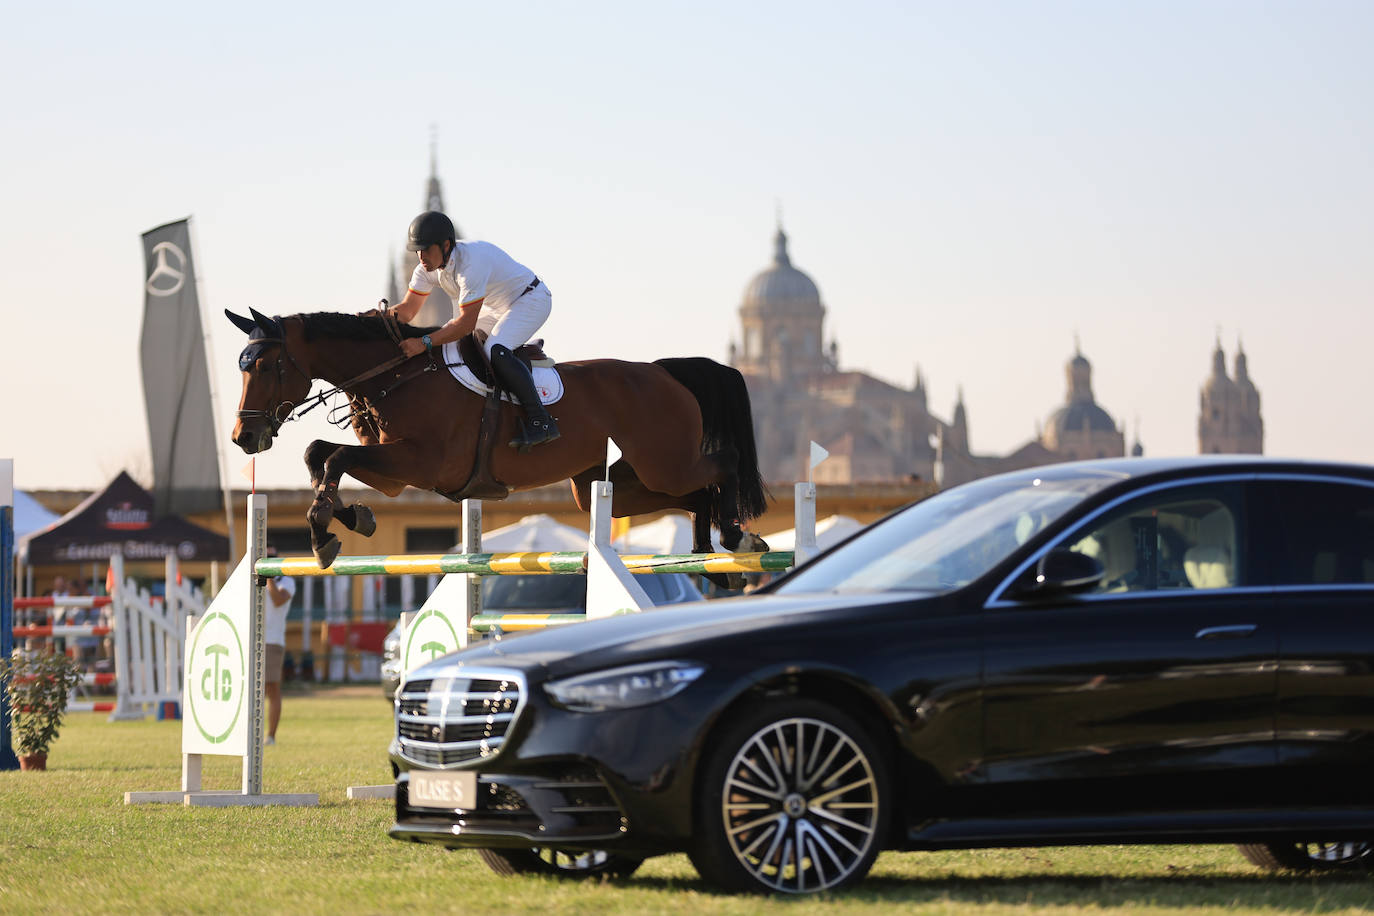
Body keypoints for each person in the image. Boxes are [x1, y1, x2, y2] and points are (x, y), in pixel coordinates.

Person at [390, 210, 560, 451]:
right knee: (453, 349)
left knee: (495, 350)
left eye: (426, 249)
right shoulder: (427, 269)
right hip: (497, 307)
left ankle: (540, 420)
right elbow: (406, 311)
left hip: (531, 299)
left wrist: (424, 342)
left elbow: (465, 324)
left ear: (446, 245)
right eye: (417, 251)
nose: (421, 257)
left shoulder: (469, 264)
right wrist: (376, 316)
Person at [263, 555, 297, 746]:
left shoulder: (287, 580)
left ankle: (271, 736)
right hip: (252, 637)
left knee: (272, 688)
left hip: (273, 640)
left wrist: (268, 577)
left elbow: (278, 600)